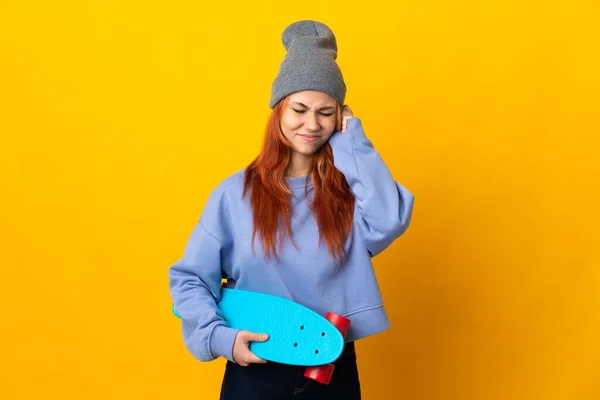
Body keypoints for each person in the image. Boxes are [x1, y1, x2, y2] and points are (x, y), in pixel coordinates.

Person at [168, 20, 415, 400]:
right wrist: (220, 337)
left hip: (331, 370)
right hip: (254, 369)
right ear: (278, 111)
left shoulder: (349, 194)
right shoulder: (234, 195)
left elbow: (389, 219)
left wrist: (354, 142)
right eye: (299, 109)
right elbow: (189, 279)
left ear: (340, 117)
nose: (312, 124)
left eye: (326, 112)